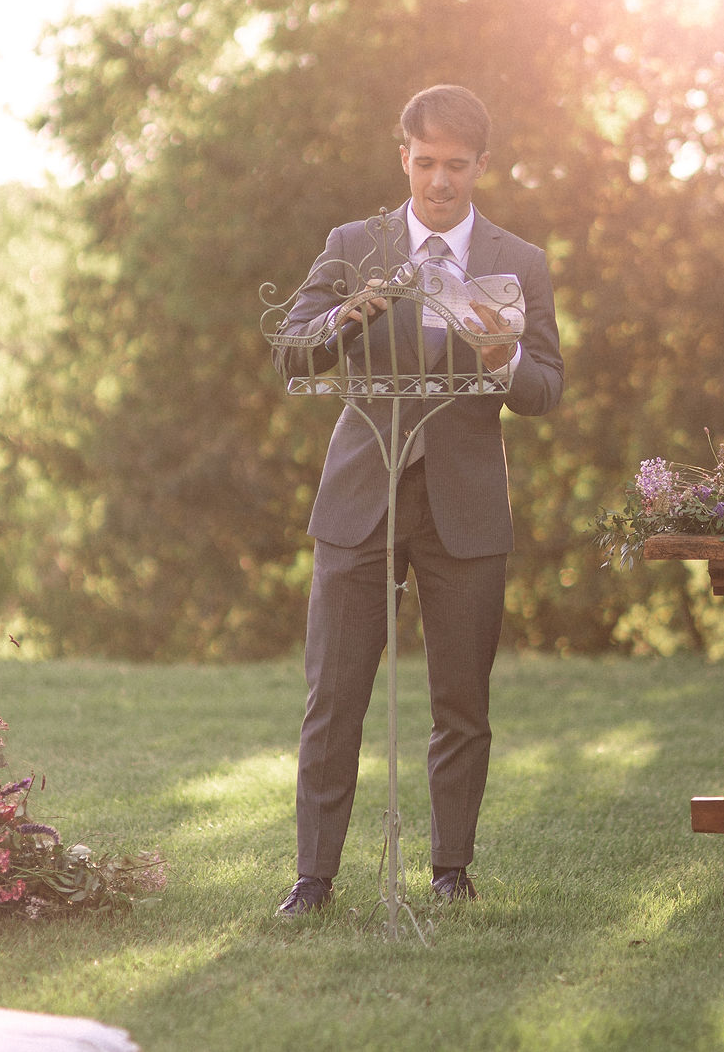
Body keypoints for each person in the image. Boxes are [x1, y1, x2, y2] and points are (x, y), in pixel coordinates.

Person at [274, 84, 563, 915]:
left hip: (467, 507)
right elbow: (292, 353)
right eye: (426, 162)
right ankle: (313, 879)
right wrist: (341, 321)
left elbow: (546, 390)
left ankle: (449, 870)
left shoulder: (521, 262)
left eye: (457, 166)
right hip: (361, 497)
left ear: (481, 166)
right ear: (402, 155)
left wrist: (505, 358)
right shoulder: (353, 244)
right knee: (333, 697)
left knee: (461, 701)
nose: (440, 181)